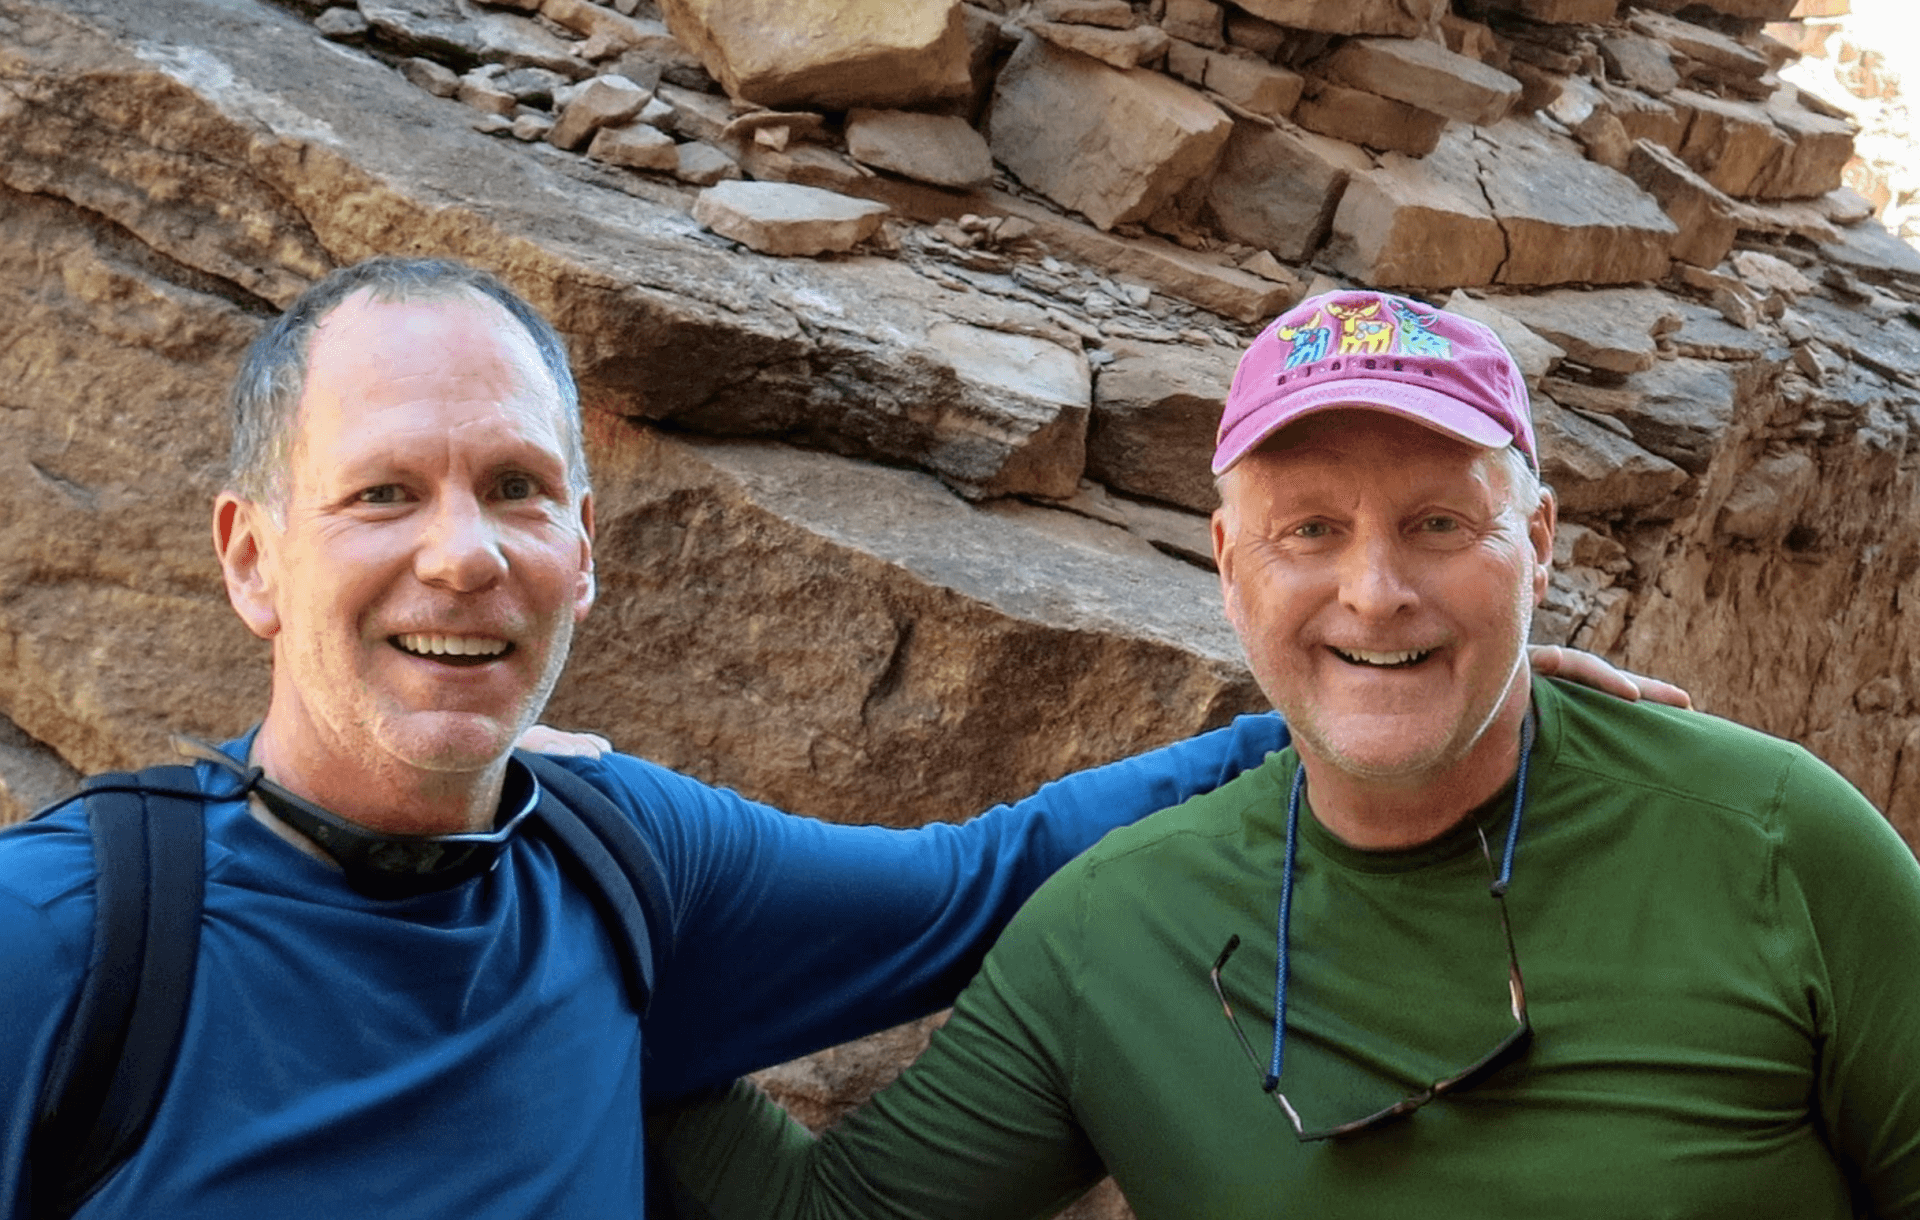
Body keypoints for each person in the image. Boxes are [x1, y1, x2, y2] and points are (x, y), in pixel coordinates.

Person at [0, 260, 1675, 1218]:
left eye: (515, 489)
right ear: (250, 555)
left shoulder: (616, 863)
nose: (464, 553)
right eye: (383, 493)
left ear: (585, 543)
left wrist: (1364, 715)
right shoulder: (69, 940)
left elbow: (986, 878)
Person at [650, 290, 1920, 1218]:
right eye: (1308, 529)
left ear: (1539, 544)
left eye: (1439, 523)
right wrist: (548, 885)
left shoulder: (1772, 840)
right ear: (1226, 563)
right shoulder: (1112, 930)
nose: (1375, 593)